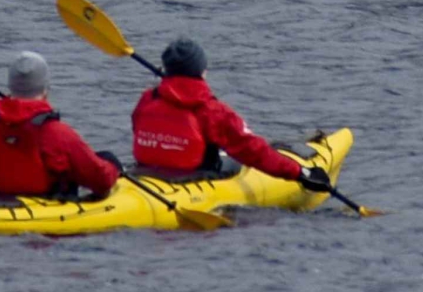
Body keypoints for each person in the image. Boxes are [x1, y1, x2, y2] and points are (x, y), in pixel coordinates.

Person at [131, 37, 331, 192]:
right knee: (236, 158)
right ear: (201, 71)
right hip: (192, 178)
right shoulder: (212, 111)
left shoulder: (148, 98)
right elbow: (253, 150)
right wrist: (300, 173)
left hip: (144, 173)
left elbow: (137, 127)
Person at [0, 51, 121, 198]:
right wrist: (113, 166)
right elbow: (102, 181)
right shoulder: (59, 133)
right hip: (46, 211)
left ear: (10, 86)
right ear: (45, 89)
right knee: (107, 158)